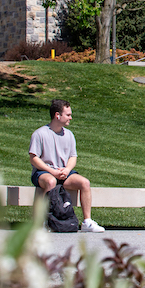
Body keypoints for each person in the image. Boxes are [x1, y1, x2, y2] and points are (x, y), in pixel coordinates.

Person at [29, 98, 105, 232]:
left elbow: (72, 157)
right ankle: (43, 222)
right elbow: (34, 158)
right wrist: (52, 171)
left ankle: (87, 221)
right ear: (57, 115)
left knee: (84, 183)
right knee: (51, 182)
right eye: (68, 114)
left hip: (64, 172)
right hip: (43, 172)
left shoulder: (69, 135)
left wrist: (67, 169)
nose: (71, 117)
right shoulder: (39, 134)